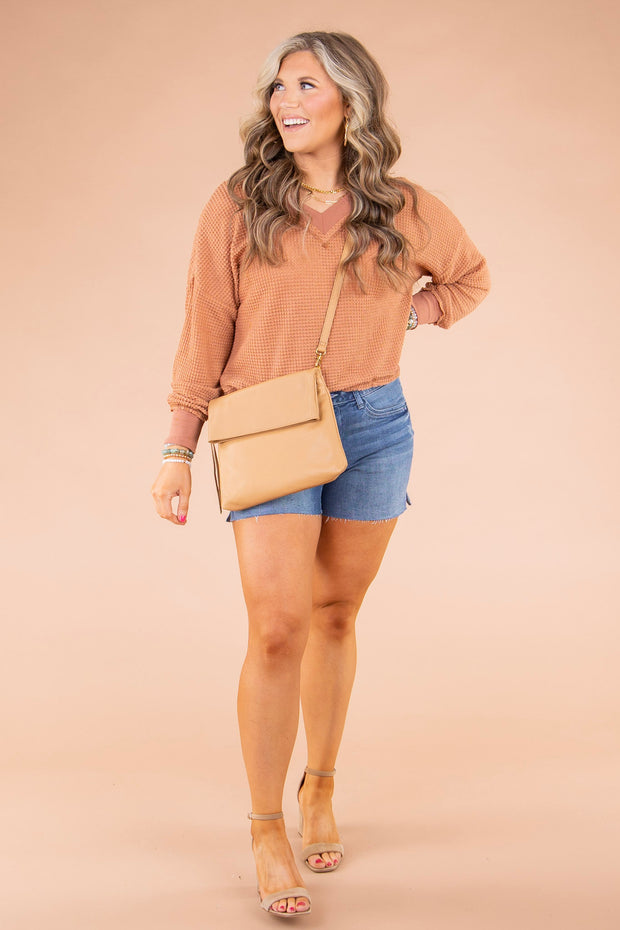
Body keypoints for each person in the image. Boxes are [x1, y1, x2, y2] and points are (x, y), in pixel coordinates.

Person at [151, 30, 490, 919]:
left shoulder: (404, 208)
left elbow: (468, 279)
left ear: (351, 99)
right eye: (278, 86)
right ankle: (266, 827)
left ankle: (321, 787)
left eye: (306, 83)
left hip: (374, 426)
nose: (285, 100)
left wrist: (407, 316)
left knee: (337, 613)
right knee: (277, 628)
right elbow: (203, 328)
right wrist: (178, 450)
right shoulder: (239, 205)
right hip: (266, 425)